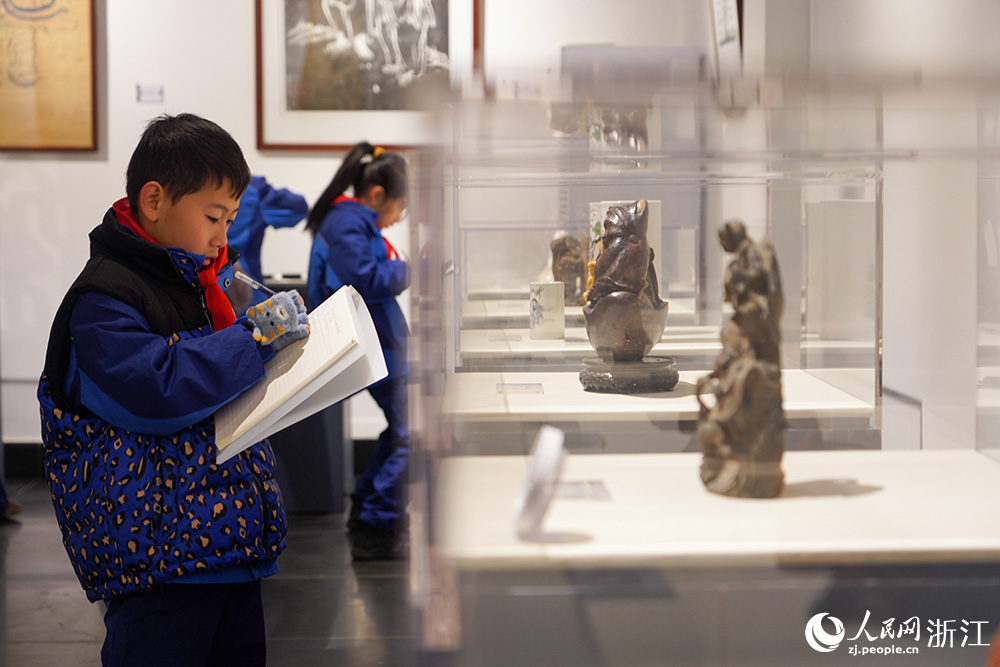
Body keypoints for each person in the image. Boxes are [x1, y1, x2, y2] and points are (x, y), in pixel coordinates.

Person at [37, 113, 309, 667]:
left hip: (228, 545)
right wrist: (254, 338)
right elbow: (157, 390)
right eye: (214, 217)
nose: (222, 238)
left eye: (231, 220)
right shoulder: (103, 298)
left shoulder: (206, 286)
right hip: (159, 562)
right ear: (154, 200)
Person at [306, 141, 410, 561]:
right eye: (400, 208)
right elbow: (365, 279)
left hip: (381, 344)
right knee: (414, 434)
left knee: (404, 428)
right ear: (379, 195)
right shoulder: (346, 223)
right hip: (374, 346)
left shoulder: (349, 220)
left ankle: (369, 508)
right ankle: (376, 524)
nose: (397, 219)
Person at [228, 175, 308, 287]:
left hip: (207, 284)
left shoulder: (197, 187)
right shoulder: (252, 189)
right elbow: (297, 209)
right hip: (246, 285)